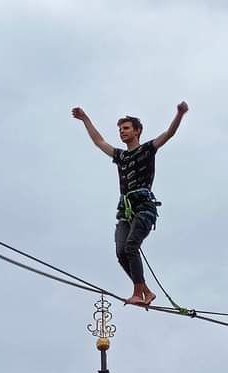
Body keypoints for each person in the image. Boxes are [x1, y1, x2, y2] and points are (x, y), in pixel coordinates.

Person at [72, 102, 189, 306]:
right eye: (120, 129)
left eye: (126, 128)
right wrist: (85, 119)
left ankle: (138, 293)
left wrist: (179, 114)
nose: (122, 132)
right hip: (125, 211)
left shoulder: (147, 149)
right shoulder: (121, 156)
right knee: (121, 251)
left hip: (144, 207)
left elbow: (168, 134)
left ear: (137, 131)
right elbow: (99, 141)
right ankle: (146, 291)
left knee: (131, 245)